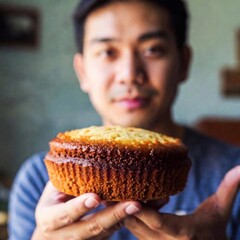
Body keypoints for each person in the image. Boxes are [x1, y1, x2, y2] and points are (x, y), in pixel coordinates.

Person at [8, 0, 240, 239]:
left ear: (183, 63)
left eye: (153, 49)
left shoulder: (233, 172)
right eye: (108, 52)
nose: (129, 74)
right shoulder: (38, 180)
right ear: (82, 71)